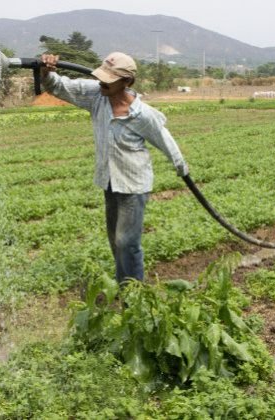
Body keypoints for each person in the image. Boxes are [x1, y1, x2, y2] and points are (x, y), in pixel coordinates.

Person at [40, 52, 188, 284]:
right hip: (109, 181)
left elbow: (165, 140)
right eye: (101, 77)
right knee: (115, 240)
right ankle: (125, 284)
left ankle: (134, 294)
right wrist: (47, 72)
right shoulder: (96, 96)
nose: (102, 83)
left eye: (109, 79)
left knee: (126, 242)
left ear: (127, 82)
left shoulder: (142, 115)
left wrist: (182, 169)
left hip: (133, 185)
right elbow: (59, 86)